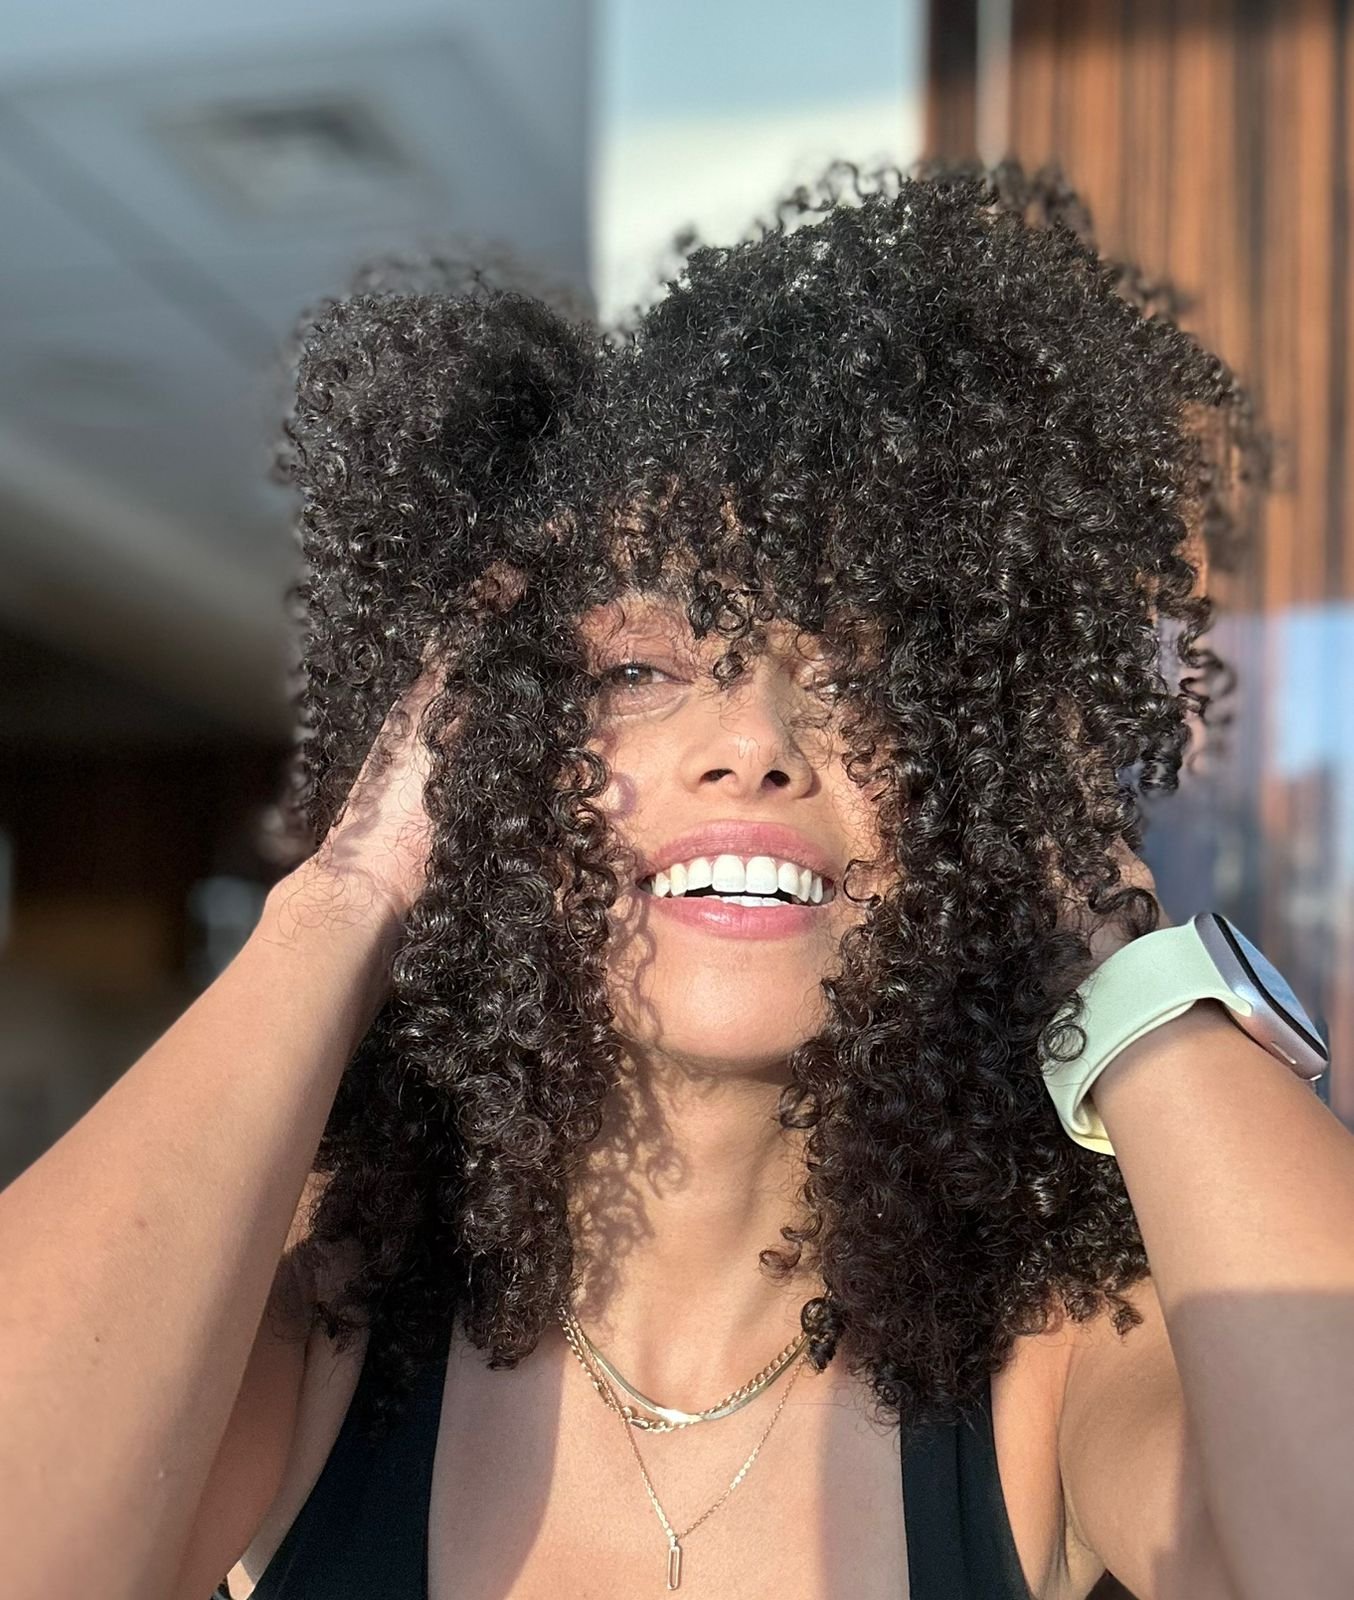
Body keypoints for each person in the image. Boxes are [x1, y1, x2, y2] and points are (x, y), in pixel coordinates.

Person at [5, 158, 1351, 1600]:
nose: (755, 744)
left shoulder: (1063, 1353)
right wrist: (348, 894)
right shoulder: (310, 1306)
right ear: (488, 756)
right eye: (638, 670)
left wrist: (1111, 936)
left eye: (863, 681)